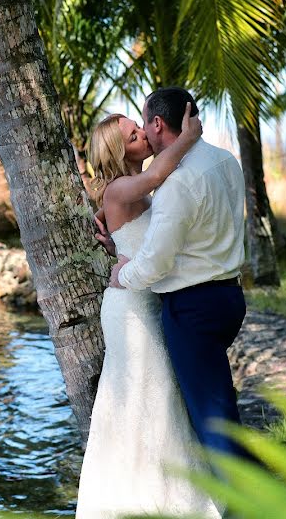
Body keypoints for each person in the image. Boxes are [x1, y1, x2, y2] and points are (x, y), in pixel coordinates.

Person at [75, 104, 221, 519]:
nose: (143, 133)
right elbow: (158, 175)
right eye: (134, 133)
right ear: (119, 150)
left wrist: (112, 237)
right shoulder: (122, 189)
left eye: (139, 127)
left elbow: (143, 223)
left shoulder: (130, 190)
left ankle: (168, 490)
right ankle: (133, 497)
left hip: (149, 299)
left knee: (161, 395)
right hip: (130, 308)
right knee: (140, 394)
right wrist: (188, 138)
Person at [109, 86, 248, 461]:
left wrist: (121, 276)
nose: (141, 131)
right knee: (213, 410)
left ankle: (254, 503)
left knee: (214, 422)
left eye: (142, 124)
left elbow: (155, 262)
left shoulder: (176, 181)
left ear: (157, 123)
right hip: (231, 298)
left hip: (193, 307)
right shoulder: (225, 160)